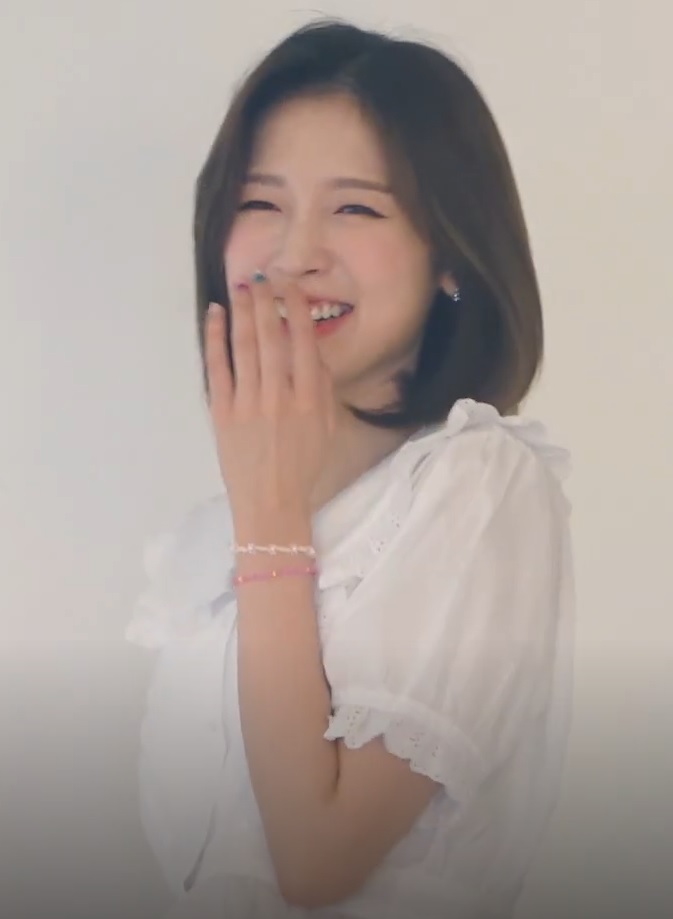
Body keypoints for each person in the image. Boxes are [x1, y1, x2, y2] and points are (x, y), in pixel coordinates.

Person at [125, 18, 575, 919]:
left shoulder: (477, 483)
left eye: (356, 208)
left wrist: (271, 523)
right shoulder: (210, 537)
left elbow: (316, 856)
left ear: (449, 254)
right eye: (261, 203)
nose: (294, 255)